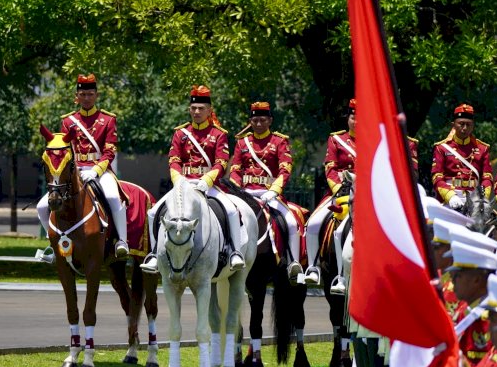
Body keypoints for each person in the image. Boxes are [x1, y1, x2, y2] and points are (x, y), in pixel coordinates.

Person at [141, 85, 245, 273]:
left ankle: (234, 251)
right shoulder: (180, 133)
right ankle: (155, 254)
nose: (197, 112)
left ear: (209, 110)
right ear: (189, 110)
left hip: (208, 184)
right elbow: (174, 160)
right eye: (194, 108)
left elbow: (221, 163)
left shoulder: (219, 134)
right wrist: (179, 180)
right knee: (152, 212)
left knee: (231, 210)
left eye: (201, 108)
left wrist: (207, 180)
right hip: (184, 183)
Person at [35, 73, 128, 258]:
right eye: (83, 95)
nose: (86, 98)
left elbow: (109, 151)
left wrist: (96, 170)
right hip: (73, 172)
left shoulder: (108, 120)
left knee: (112, 197)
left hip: (99, 171)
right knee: (41, 207)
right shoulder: (68, 121)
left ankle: (122, 241)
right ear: (77, 97)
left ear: (96, 95)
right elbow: (63, 152)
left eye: (90, 94)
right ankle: (53, 244)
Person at [228, 101, 301, 272]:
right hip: (245, 193)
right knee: (229, 217)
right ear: (250, 122)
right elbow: (235, 170)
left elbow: (285, 169)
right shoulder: (242, 143)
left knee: (291, 221)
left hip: (269, 194)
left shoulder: (279, 141)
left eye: (262, 120)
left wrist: (274, 191)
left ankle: (293, 261)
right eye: (255, 121)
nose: (258, 124)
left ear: (270, 120)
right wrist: (238, 192)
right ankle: (231, 254)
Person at [303, 99, 357, 285]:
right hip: (340, 192)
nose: (356, 121)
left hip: (365, 195)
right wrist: (338, 188)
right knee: (313, 223)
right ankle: (313, 266)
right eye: (353, 117)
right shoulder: (336, 139)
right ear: (348, 119)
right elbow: (330, 168)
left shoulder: (374, 141)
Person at [431, 103, 493, 209]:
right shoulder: (442, 148)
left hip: (475, 198)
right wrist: (450, 196)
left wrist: (482, 196)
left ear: (473, 126)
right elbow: (437, 177)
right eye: (461, 124)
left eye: (468, 125)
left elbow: (487, 177)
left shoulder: (483, 149)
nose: (464, 128)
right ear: (453, 125)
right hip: (450, 198)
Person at [446, 241, 496, 367]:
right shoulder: (467, 309)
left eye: (458, 275)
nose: (452, 280)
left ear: (476, 280)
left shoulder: (487, 320)